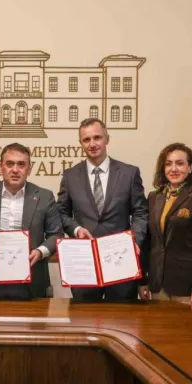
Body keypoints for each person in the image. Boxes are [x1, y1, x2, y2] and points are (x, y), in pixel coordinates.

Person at [57, 118, 148, 301]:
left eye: (97, 137)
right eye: (86, 140)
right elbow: (61, 213)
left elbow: (141, 213)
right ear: (81, 143)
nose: (92, 144)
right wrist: (76, 229)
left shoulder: (129, 173)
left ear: (107, 139)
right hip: (85, 264)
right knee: (84, 316)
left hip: (121, 261)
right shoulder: (70, 176)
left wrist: (133, 240)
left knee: (122, 316)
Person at [0, 143, 63, 299]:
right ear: (0, 167)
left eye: (21, 164)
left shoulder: (44, 197)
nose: (15, 170)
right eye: (9, 164)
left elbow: (56, 234)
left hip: (30, 280)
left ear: (29, 169)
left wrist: (40, 252)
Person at [139, 143, 192, 307]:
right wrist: (142, 280)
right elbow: (148, 243)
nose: (173, 169)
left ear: (190, 168)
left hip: (186, 287)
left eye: (180, 163)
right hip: (157, 284)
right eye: (168, 164)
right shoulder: (154, 197)